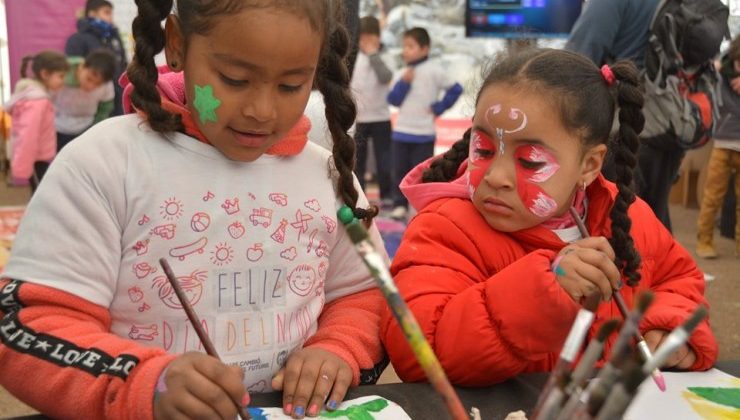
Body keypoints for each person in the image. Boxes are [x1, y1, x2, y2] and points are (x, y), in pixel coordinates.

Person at [0, 2, 388, 419]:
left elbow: (368, 296)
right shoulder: (105, 165)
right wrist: (143, 383)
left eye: (291, 85)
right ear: (177, 45)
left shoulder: (329, 177)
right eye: (234, 79)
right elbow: (27, 324)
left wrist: (338, 346)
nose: (262, 109)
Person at [381, 48, 717, 385]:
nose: (496, 176)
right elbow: (416, 351)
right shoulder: (444, 228)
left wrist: (668, 330)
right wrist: (542, 294)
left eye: (530, 161)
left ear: (589, 165)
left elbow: (680, 282)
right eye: (483, 150)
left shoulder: (626, 217)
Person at [387, 27, 463, 220]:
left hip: (424, 132)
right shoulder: (402, 72)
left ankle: (420, 206)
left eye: (411, 46)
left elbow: (456, 89)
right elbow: (394, 100)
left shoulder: (435, 70)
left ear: (424, 49)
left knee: (422, 172)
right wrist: (403, 83)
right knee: (400, 170)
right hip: (402, 131)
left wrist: (439, 107)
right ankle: (399, 205)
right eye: (404, 46)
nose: (405, 50)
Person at [696, 37, 740, 259]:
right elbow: (718, 100)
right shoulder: (721, 73)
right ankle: (704, 240)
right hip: (723, 141)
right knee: (712, 196)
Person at [4, 50, 68, 190]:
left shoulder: (38, 98)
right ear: (45, 74)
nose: (63, 81)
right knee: (41, 194)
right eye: (61, 76)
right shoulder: (37, 102)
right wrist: (23, 167)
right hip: (35, 160)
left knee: (41, 194)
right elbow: (27, 135)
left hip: (39, 158)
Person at [351, 16, 393, 206]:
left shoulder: (386, 55)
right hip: (358, 118)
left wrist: (373, 54)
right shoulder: (353, 57)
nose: (366, 42)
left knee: (385, 159)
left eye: (371, 37)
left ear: (378, 36)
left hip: (380, 117)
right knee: (358, 161)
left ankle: (387, 196)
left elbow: (385, 77)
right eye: (363, 38)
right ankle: (360, 197)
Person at [66, 0, 128, 117]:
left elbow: (123, 64)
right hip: (89, 104)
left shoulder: (114, 37)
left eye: (111, 13)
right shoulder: (77, 39)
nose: (111, 17)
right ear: (92, 14)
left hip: (117, 99)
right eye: (106, 12)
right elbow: (74, 71)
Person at [55, 49, 116, 151]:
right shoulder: (61, 73)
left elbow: (105, 107)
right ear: (82, 66)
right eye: (89, 79)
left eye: (97, 84)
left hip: (86, 128)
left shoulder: (107, 85)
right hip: (57, 127)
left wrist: (96, 128)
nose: (90, 87)